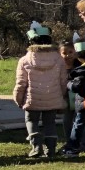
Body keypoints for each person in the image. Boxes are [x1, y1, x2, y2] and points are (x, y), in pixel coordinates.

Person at [13, 21, 66, 160]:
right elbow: (63, 82)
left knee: (31, 121)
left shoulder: (24, 60)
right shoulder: (59, 59)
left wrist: (18, 99)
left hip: (33, 98)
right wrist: (62, 97)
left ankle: (36, 147)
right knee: (50, 122)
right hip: (53, 97)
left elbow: (21, 83)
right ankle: (51, 148)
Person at [61, 38, 85, 158]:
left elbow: (78, 85)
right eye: (64, 53)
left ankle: (83, 143)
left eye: (71, 52)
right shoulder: (59, 67)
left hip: (79, 99)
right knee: (68, 121)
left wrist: (69, 83)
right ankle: (70, 142)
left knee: (79, 122)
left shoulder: (81, 68)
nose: (68, 56)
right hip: (67, 98)